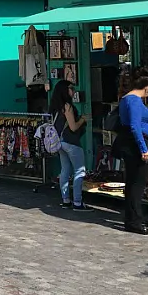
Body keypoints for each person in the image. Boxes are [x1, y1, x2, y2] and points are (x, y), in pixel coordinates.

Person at [114, 67, 148, 235]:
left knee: (134, 183)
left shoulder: (127, 99)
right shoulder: (134, 101)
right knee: (136, 184)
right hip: (135, 145)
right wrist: (143, 148)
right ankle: (133, 221)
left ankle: (136, 216)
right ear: (147, 88)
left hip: (133, 143)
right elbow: (134, 126)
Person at [49, 79, 90, 211]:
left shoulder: (55, 107)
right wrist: (83, 119)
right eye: (71, 88)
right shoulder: (67, 106)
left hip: (60, 142)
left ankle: (66, 200)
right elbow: (73, 127)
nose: (74, 91)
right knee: (79, 171)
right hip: (71, 142)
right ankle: (77, 202)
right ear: (65, 91)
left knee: (65, 171)